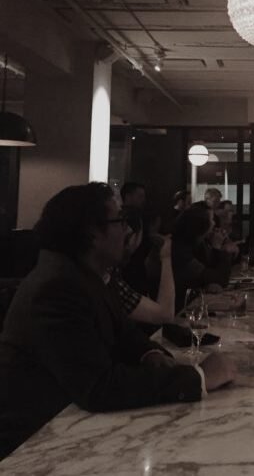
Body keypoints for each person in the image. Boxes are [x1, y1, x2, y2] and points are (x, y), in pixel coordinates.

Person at [0, 183, 236, 459]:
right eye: (120, 221)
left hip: (77, 428)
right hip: (35, 447)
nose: (127, 231)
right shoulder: (57, 288)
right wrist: (198, 378)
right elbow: (99, 387)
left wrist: (150, 354)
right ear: (92, 234)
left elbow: (126, 335)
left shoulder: (88, 274)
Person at [109, 207, 176, 326]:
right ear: (132, 236)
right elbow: (165, 315)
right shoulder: (108, 275)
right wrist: (166, 256)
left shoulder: (116, 268)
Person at [166, 202, 235, 310]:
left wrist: (221, 245)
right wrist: (217, 248)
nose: (214, 224)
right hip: (178, 309)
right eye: (211, 220)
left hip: (195, 304)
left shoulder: (199, 243)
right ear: (200, 225)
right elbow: (220, 279)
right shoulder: (179, 249)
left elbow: (212, 274)